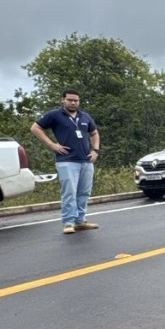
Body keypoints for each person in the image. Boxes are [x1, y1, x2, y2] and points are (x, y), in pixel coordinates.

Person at [30, 89, 100, 235]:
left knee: (84, 192)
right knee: (69, 192)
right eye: (70, 100)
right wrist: (52, 144)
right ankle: (68, 222)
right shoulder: (55, 115)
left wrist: (95, 150)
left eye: (76, 100)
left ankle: (80, 221)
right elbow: (35, 128)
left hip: (86, 160)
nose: (73, 103)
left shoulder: (85, 116)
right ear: (63, 100)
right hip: (67, 160)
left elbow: (94, 133)